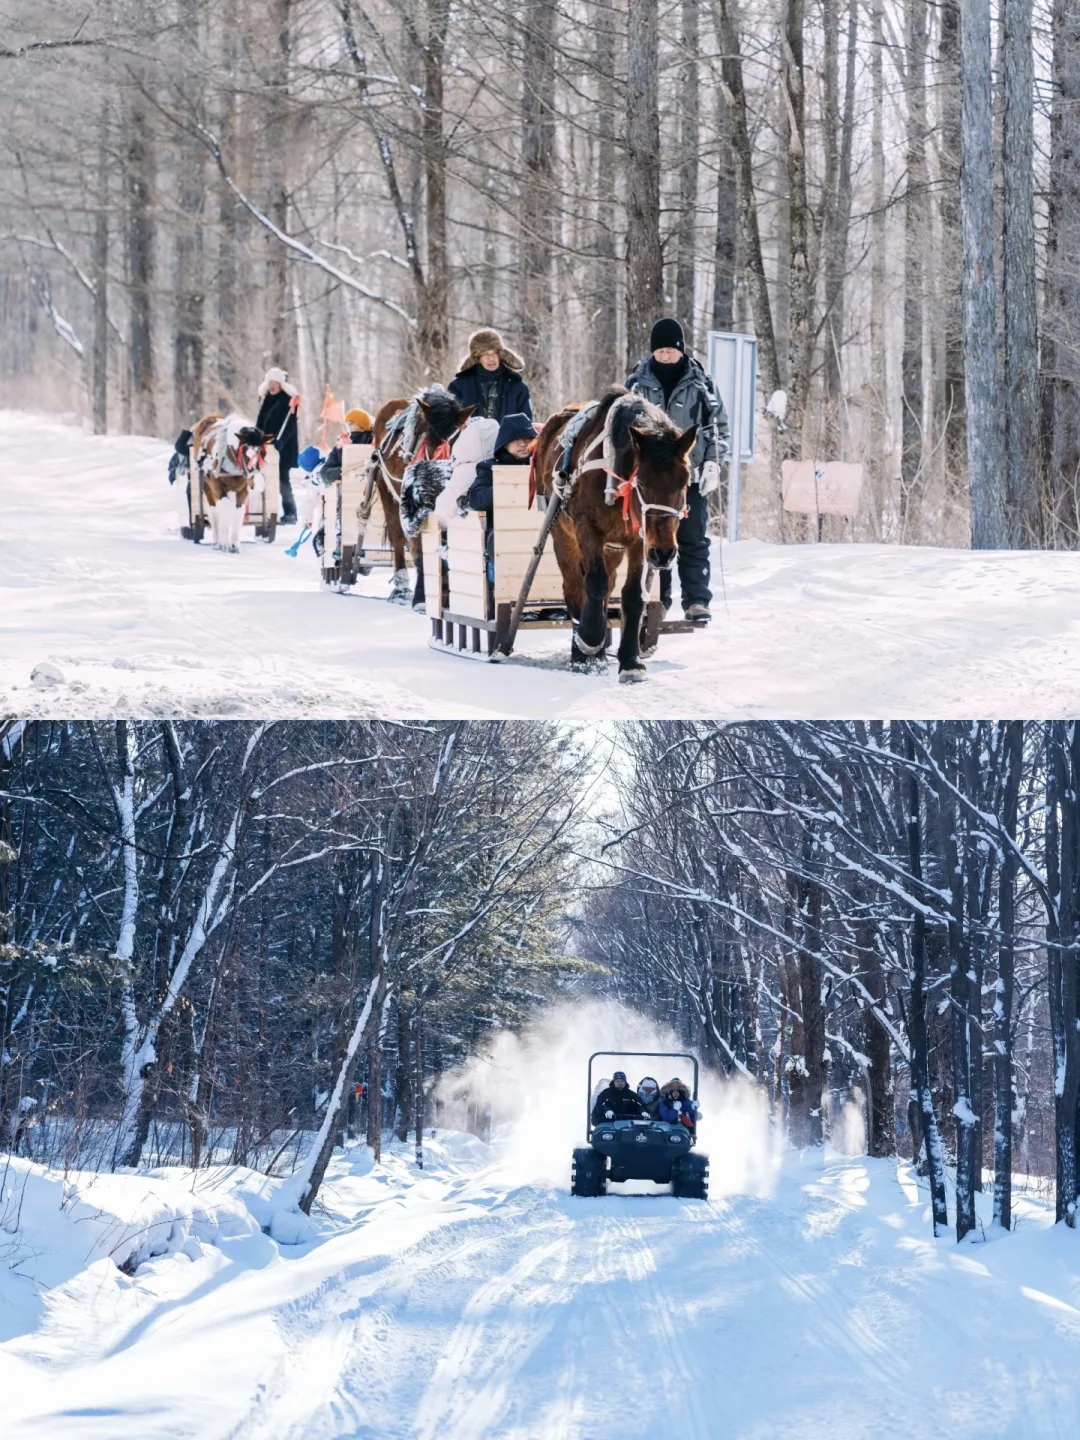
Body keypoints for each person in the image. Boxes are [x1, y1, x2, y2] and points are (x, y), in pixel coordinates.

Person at [625, 318, 729, 623]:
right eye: (659, 350)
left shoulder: (702, 384)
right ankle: (660, 600)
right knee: (657, 538)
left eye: (670, 350)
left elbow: (718, 428)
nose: (665, 355)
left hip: (689, 476)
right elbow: (625, 427)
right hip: (654, 481)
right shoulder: (637, 383)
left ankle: (697, 600)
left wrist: (713, 462)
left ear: (681, 350)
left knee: (693, 537)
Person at [448, 328, 533, 424]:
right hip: (472, 438)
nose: (491, 358)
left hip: (507, 438)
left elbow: (526, 422)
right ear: (477, 358)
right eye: (485, 354)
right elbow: (451, 422)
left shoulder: (517, 386)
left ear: (500, 355)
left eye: (494, 353)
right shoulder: (459, 386)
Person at [256, 367, 302, 523]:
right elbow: (260, 422)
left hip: (283, 446)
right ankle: (267, 510)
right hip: (266, 447)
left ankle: (290, 512)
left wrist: (280, 440)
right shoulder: (267, 399)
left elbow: (289, 424)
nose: (272, 385)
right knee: (264, 479)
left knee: (282, 479)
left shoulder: (287, 401)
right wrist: (257, 437)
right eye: (270, 382)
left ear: (281, 384)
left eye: (275, 382)